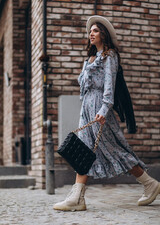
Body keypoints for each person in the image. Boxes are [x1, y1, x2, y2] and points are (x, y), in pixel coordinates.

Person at [53, 15, 160, 211]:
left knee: (114, 150)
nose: (90, 34)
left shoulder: (109, 56)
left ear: (103, 34)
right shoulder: (91, 58)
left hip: (100, 112)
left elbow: (109, 87)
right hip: (87, 109)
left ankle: (149, 183)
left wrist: (103, 110)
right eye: (89, 31)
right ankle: (78, 198)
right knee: (85, 150)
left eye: (94, 30)